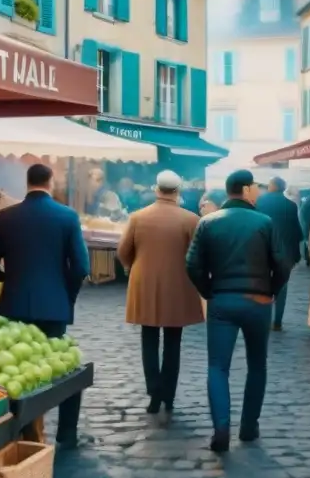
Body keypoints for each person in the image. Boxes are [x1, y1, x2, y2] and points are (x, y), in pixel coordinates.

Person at [0, 163, 90, 447]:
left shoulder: (5, 217)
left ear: (27, 182)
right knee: (63, 370)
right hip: (54, 307)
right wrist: (67, 296)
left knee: (16, 371)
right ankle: (67, 434)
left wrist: (9, 279)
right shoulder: (67, 216)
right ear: (51, 182)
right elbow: (81, 267)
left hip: (13, 306)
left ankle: (21, 433)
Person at [185, 170, 291, 453]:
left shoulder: (208, 223)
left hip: (222, 301)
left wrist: (208, 290)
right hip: (258, 302)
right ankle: (248, 427)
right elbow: (282, 264)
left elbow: (192, 264)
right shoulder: (264, 223)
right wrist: (270, 291)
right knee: (257, 364)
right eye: (255, 187)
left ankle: (221, 426)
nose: (257, 191)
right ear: (245, 189)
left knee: (218, 366)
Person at [117, 171, 204, 417]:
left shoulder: (137, 217)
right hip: (178, 283)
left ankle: (154, 390)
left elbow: (123, 251)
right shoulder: (191, 219)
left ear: (157, 190)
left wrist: (132, 265)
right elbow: (198, 255)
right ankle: (169, 394)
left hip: (144, 282)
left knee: (149, 337)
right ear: (178, 191)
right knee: (174, 341)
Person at [256, 177, 303, 331]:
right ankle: (278, 321)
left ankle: (264, 318)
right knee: (282, 286)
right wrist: (296, 254)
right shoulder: (290, 206)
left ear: (271, 187)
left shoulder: (259, 202)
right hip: (285, 253)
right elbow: (296, 231)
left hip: (263, 251)